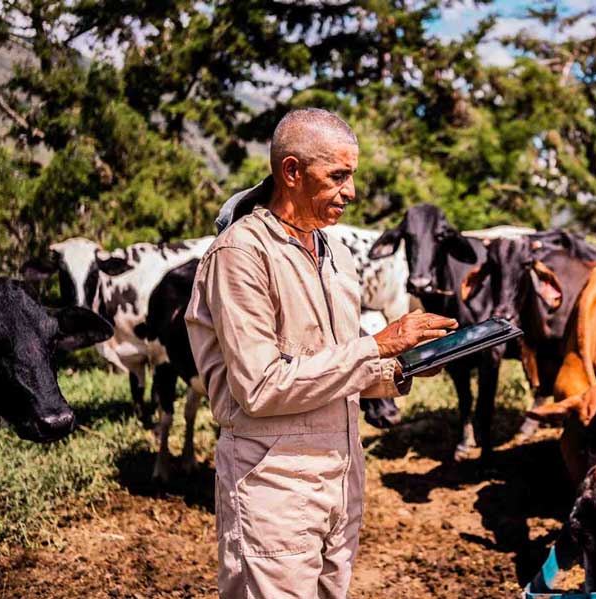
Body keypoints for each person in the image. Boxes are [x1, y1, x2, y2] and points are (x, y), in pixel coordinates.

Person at [185, 107, 456, 599]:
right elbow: (260, 388)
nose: (350, 191)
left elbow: (331, 365)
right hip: (274, 484)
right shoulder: (241, 254)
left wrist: (400, 368)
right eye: (337, 176)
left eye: (351, 176)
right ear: (291, 172)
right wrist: (377, 344)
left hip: (341, 475)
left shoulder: (334, 254)